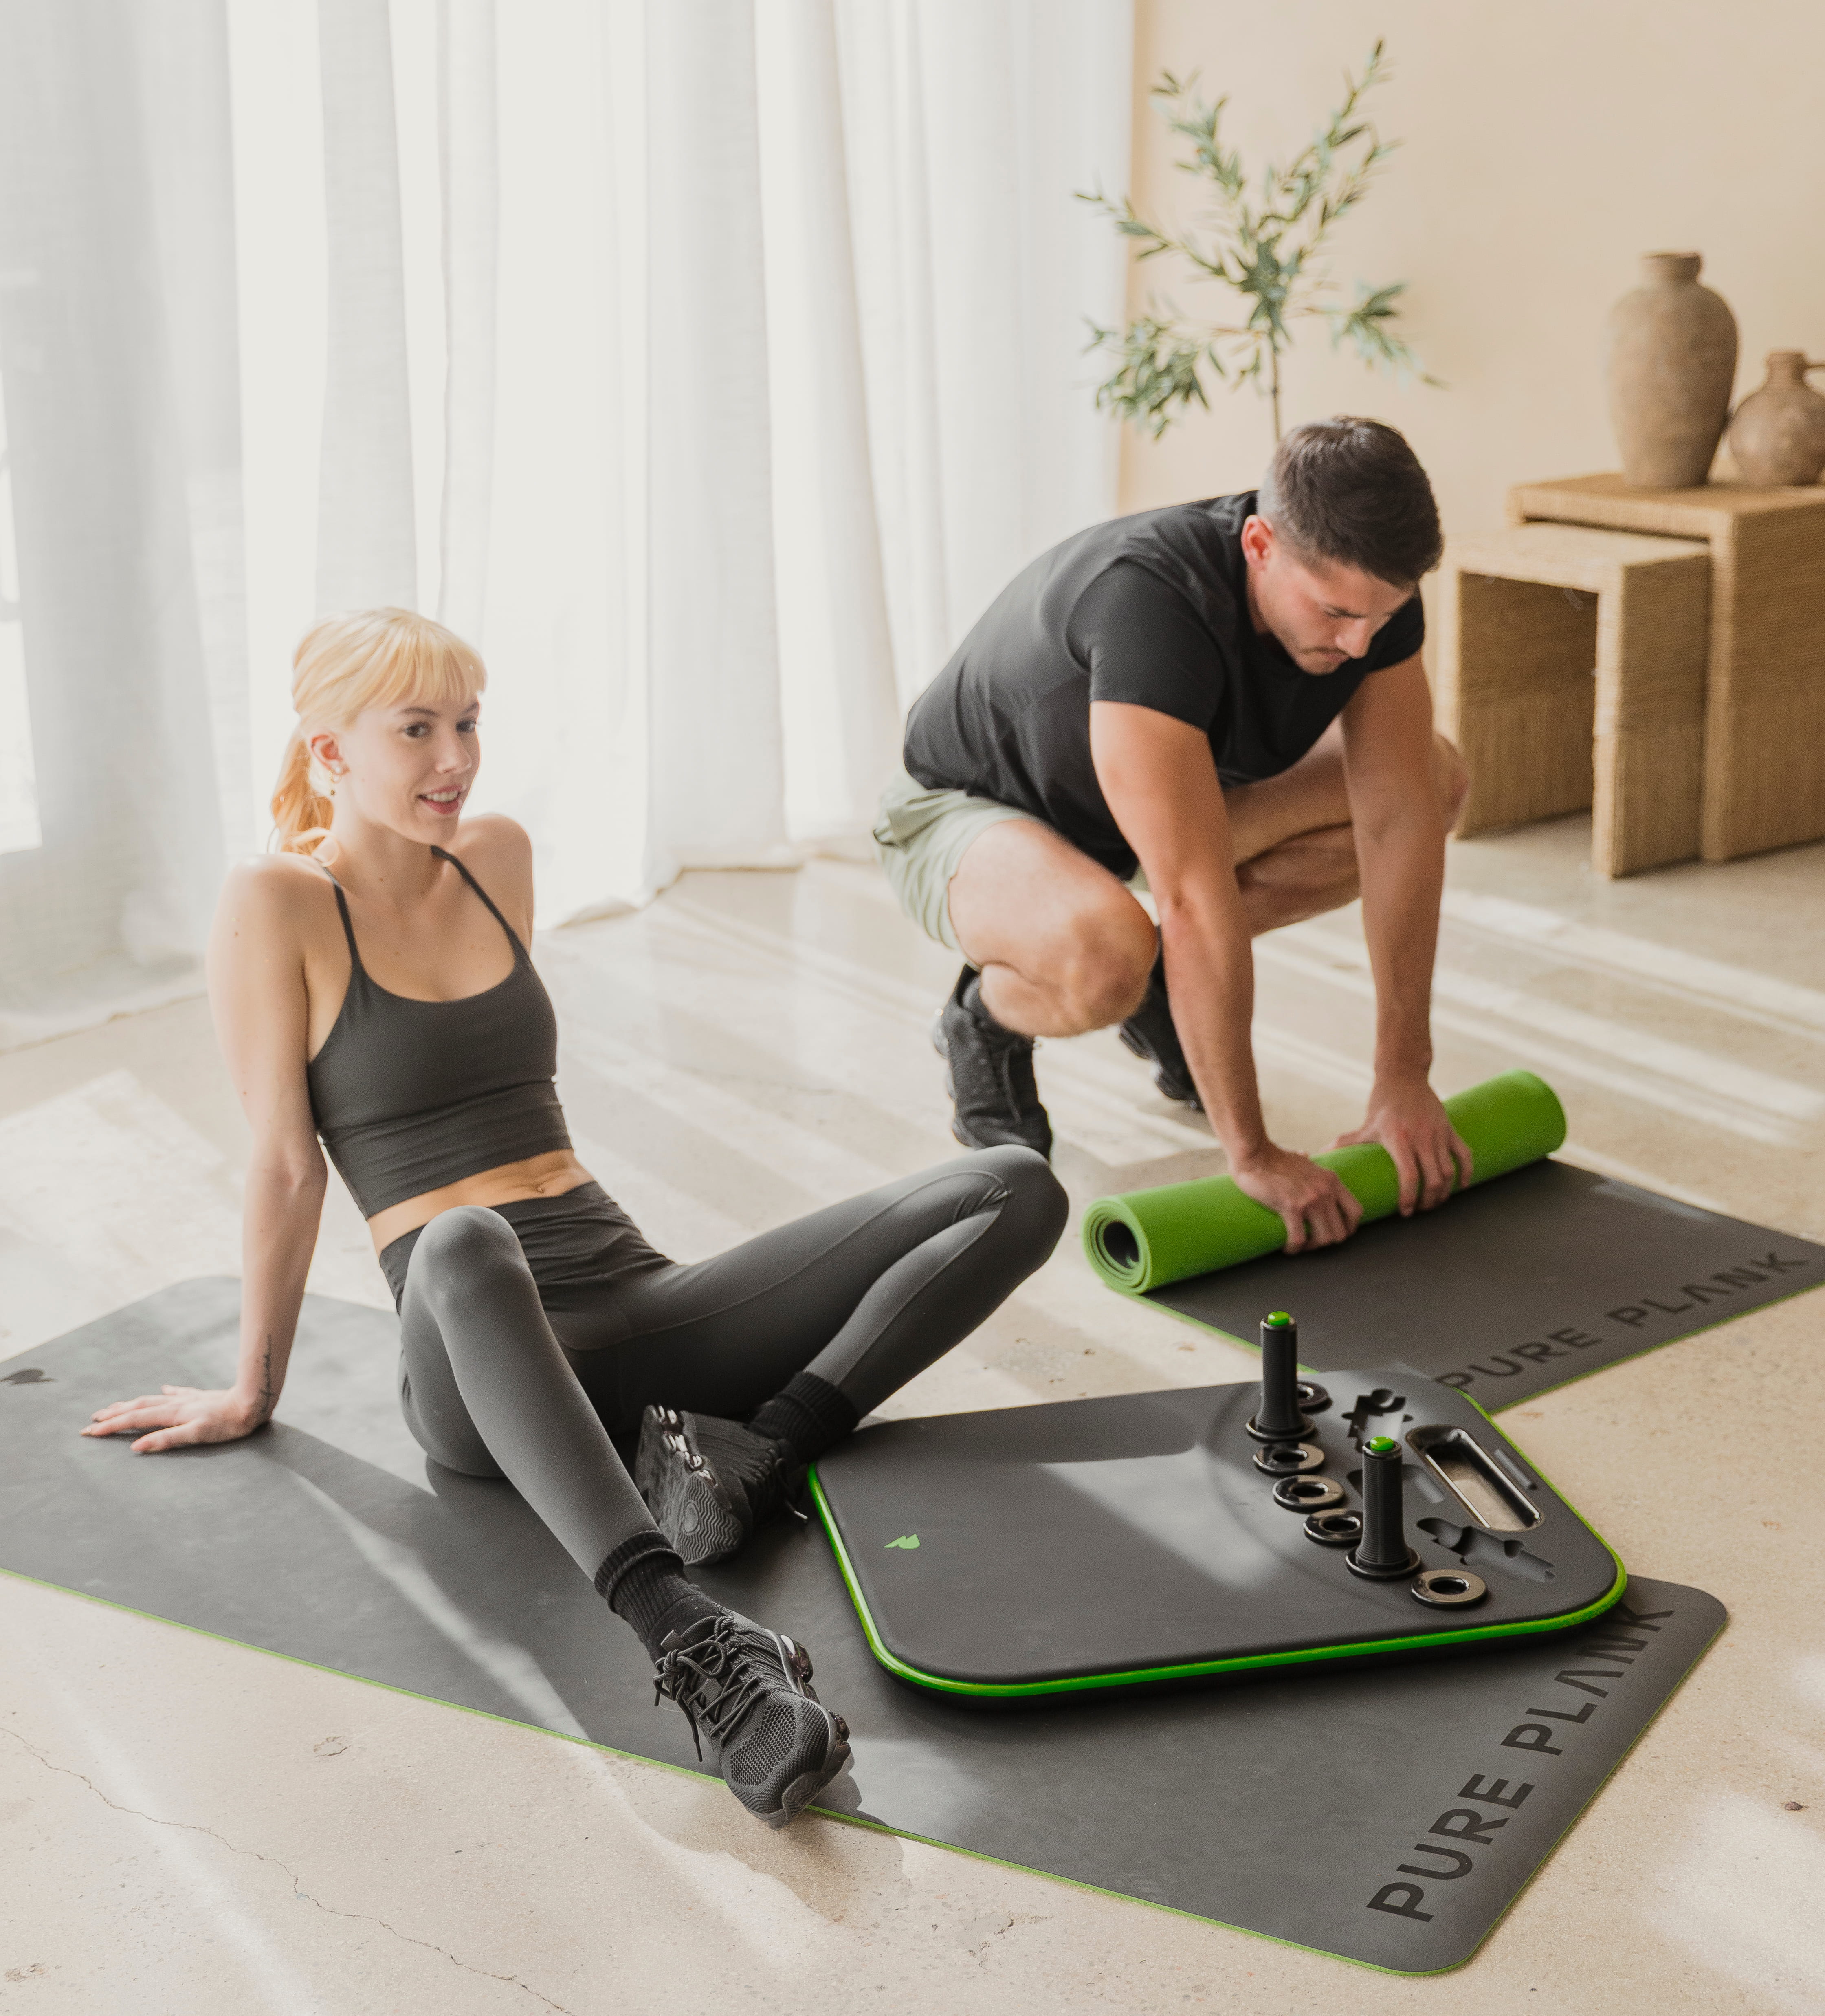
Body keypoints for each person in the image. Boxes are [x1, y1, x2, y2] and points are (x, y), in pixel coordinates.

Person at [84, 608, 1065, 1828]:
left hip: (641, 1304)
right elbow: (288, 1169)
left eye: (468, 723)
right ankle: (692, 1640)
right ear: (330, 754)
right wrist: (250, 1391)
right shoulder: (279, 900)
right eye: (417, 731)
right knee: (462, 1237)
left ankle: (758, 1457)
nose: (456, 758)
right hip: (473, 1356)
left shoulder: (495, 853)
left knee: (1011, 1186)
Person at [874, 415, 1471, 1252]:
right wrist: (1252, 1153)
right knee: (1106, 952)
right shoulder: (1149, 604)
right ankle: (984, 1019)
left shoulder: (1365, 607)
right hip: (968, 812)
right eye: (1336, 612)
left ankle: (1163, 981)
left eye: (1383, 615)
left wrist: (1402, 1076)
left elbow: (1400, 818)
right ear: (1260, 544)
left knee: (1433, 779)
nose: (1359, 642)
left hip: (1146, 811)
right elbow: (1193, 898)